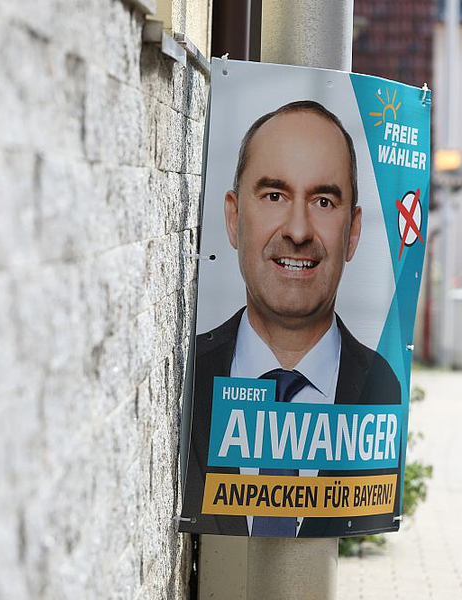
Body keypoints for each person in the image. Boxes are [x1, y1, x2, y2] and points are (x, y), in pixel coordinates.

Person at [181, 101, 401, 538]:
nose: (298, 231)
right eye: (275, 196)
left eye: (323, 201)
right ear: (234, 218)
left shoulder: (382, 387)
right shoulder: (189, 370)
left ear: (353, 231)